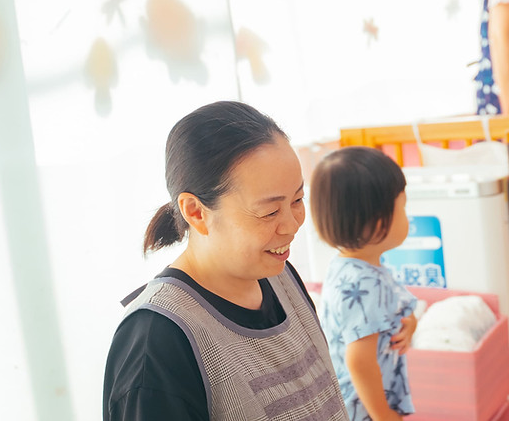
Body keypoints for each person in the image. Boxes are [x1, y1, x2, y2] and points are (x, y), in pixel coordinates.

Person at [103, 101, 347, 421]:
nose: (292, 224)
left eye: (298, 200)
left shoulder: (280, 277)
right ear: (196, 212)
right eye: (269, 212)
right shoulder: (158, 342)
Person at [310, 146, 419, 421]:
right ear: (374, 220)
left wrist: (409, 323)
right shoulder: (365, 283)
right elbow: (359, 360)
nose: (408, 217)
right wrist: (383, 415)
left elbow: (389, 310)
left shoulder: (350, 265)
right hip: (364, 409)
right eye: (402, 208)